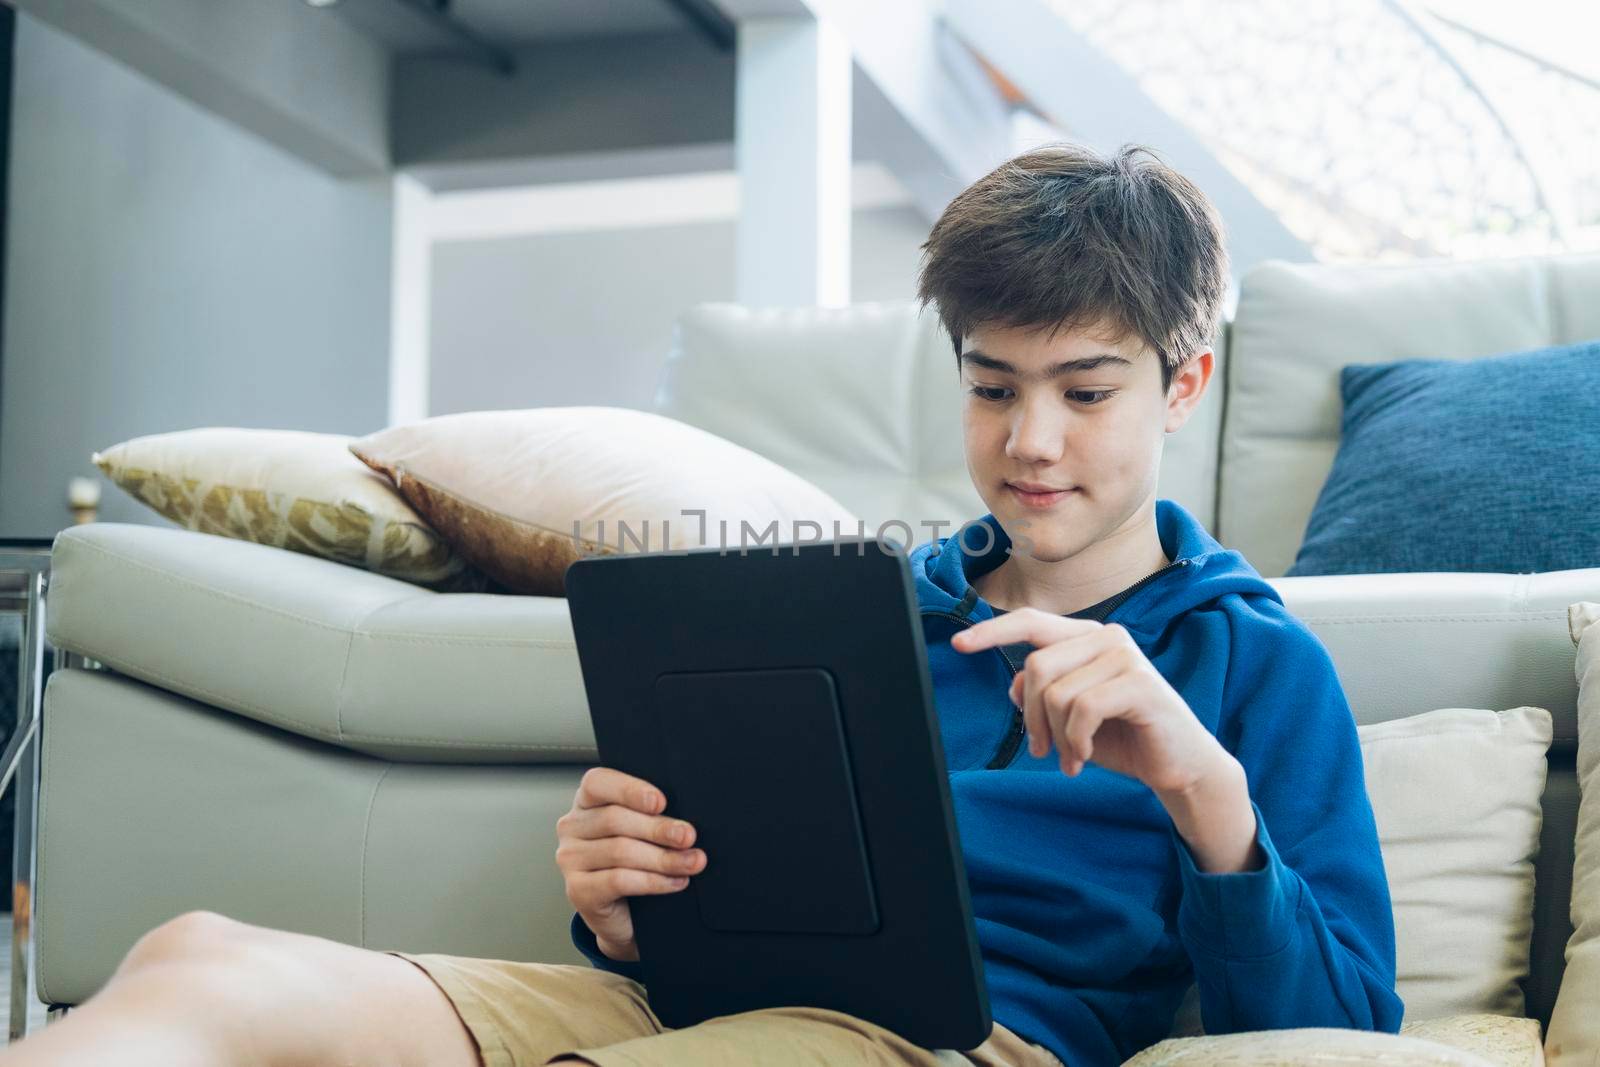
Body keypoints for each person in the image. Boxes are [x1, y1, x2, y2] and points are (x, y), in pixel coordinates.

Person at [0, 143, 1402, 1067]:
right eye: (992, 388)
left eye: (1085, 393)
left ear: (1182, 387)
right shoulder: (851, 618)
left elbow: (1340, 1031)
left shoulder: (1247, 660)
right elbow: (708, 905)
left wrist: (1205, 792)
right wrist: (627, 902)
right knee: (199, 961)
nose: (1032, 442)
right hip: (682, 1011)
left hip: (957, 1045)